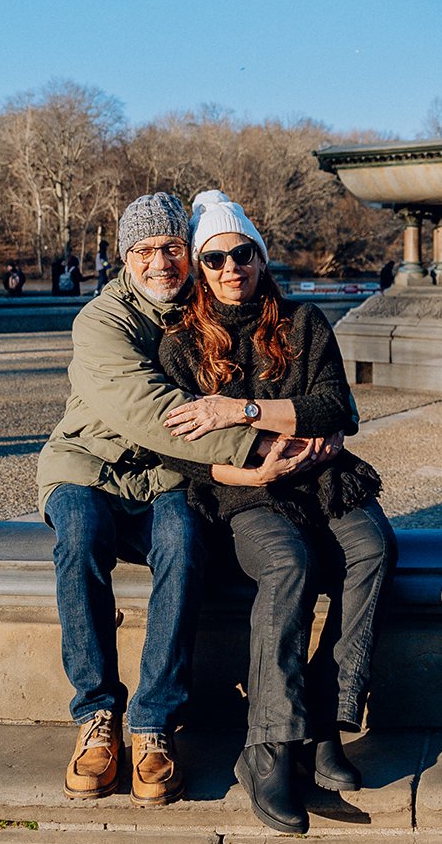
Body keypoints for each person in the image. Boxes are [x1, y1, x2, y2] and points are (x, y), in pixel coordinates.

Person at [156, 189, 395, 835]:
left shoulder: (303, 322)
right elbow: (183, 449)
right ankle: (266, 749)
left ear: (261, 257)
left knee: (373, 548)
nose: (231, 268)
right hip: (244, 493)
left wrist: (238, 410)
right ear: (199, 271)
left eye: (243, 253)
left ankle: (323, 722)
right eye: (215, 259)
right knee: (287, 564)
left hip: (324, 479)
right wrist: (265, 456)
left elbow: (335, 411)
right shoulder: (180, 346)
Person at [35, 193, 271, 807]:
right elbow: (149, 413)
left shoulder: (202, 307)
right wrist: (253, 448)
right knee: (81, 537)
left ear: (188, 253)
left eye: (171, 248)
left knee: (184, 540)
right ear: (126, 259)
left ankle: (153, 724)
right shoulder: (100, 321)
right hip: (89, 466)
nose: (160, 263)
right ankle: (96, 715)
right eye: (144, 251)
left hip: (167, 475)